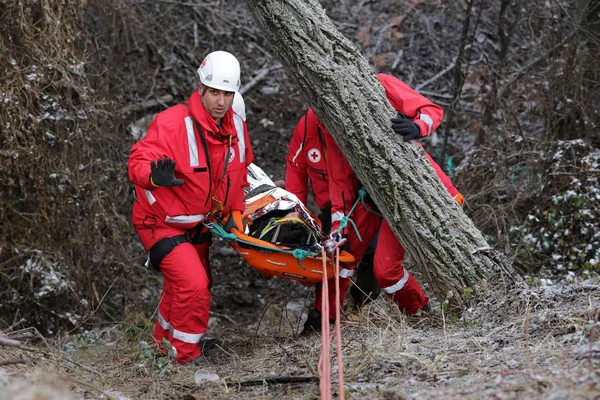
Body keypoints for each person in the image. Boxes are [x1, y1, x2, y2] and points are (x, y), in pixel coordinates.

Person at [286, 73, 464, 333]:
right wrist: (337, 227)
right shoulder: (321, 127)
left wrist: (418, 127)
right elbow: (341, 186)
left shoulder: (375, 84)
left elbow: (430, 110)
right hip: (367, 201)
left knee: (385, 271)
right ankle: (323, 319)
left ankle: (420, 312)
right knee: (342, 257)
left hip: (407, 195)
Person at [128, 50, 253, 364]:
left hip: (196, 223)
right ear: (201, 89)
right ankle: (184, 357)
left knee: (189, 285)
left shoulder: (236, 127)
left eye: (227, 93)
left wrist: (234, 211)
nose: (221, 101)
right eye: (214, 93)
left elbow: (239, 173)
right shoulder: (172, 123)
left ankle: (163, 346)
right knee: (193, 284)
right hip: (160, 221)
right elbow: (138, 163)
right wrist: (154, 177)